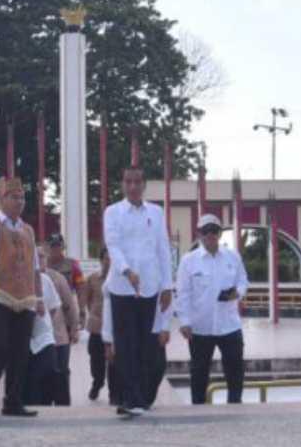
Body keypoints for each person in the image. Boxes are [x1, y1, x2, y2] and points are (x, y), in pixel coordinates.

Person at [102, 166, 174, 417]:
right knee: (125, 346)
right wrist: (126, 270)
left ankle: (141, 398)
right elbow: (113, 245)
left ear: (144, 185)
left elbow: (163, 250)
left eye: (137, 182)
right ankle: (130, 398)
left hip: (150, 288)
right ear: (122, 184)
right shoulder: (113, 212)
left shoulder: (156, 212)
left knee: (146, 346)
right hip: (122, 287)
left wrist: (167, 287)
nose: (132, 186)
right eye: (128, 181)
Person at [0, 177, 43, 419]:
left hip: (25, 297)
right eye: (14, 197)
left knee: (20, 353)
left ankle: (13, 402)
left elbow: (35, 267)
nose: (19, 201)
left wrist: (39, 297)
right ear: (2, 200)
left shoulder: (27, 230)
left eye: (22, 197)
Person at [176, 214, 249, 404]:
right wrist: (184, 322)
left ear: (220, 233)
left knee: (235, 371)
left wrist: (238, 292)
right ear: (199, 234)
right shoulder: (189, 261)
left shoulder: (233, 256)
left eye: (214, 231)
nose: (210, 235)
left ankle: (234, 407)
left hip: (229, 325)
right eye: (206, 231)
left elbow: (243, 280)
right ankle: (198, 411)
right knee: (199, 373)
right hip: (201, 328)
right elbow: (182, 293)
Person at [102, 285, 172, 409]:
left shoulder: (156, 272)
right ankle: (132, 401)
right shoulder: (114, 281)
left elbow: (167, 300)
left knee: (158, 367)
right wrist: (108, 341)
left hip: (153, 329)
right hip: (127, 333)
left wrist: (165, 327)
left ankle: (145, 400)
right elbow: (108, 311)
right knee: (129, 367)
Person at [22, 256, 61, 406]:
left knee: (49, 372)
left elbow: (53, 306)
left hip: (43, 337)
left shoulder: (45, 280)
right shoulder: (12, 281)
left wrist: (44, 324)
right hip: (23, 339)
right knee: (27, 381)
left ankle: (46, 406)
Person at [44, 251, 80, 406]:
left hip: (59, 336)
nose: (39, 260)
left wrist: (74, 329)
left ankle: (62, 405)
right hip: (38, 339)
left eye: (41, 257)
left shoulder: (58, 278)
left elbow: (69, 305)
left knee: (61, 372)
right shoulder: (26, 278)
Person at [82, 247, 117, 403]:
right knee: (96, 361)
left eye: (111, 258)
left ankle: (113, 393)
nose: (108, 261)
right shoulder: (93, 279)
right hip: (97, 327)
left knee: (114, 361)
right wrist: (94, 314)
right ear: (101, 260)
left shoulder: (119, 279)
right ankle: (97, 383)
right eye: (106, 258)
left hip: (115, 329)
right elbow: (88, 300)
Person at [45, 233, 87, 326]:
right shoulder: (41, 264)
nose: (55, 249)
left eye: (58, 246)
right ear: (48, 248)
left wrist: (82, 312)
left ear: (63, 247)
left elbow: (81, 289)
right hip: (46, 310)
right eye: (53, 246)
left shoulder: (73, 265)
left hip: (66, 309)